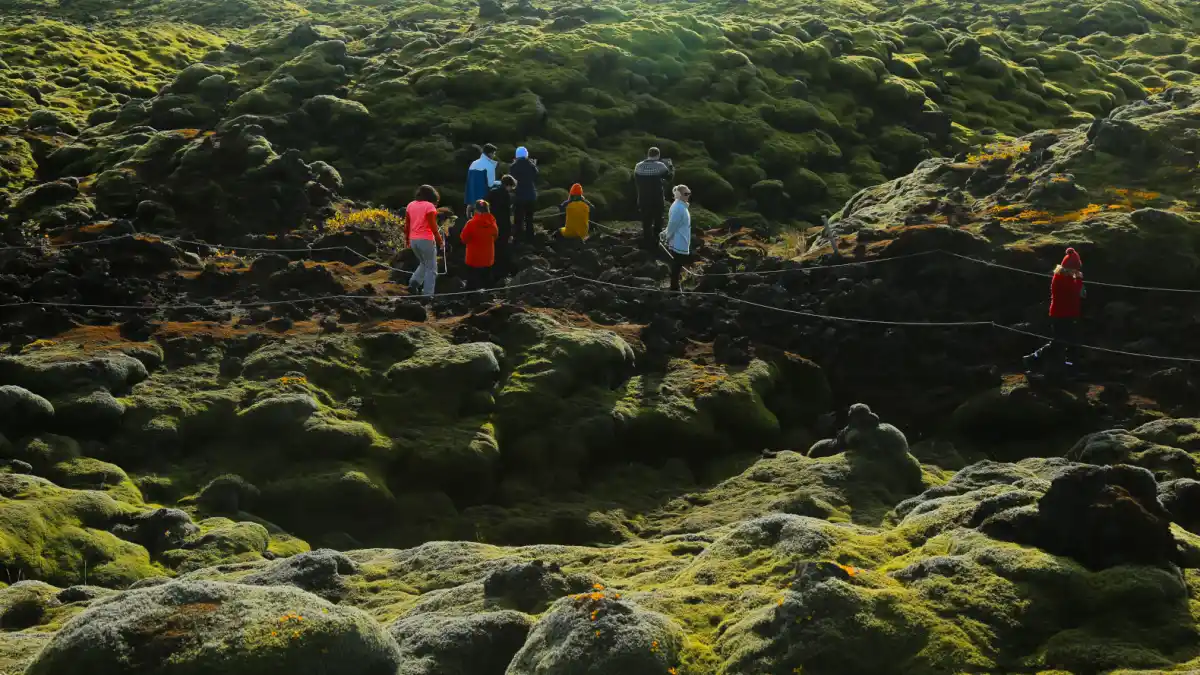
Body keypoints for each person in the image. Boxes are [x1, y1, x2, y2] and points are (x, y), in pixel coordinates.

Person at [1024, 247, 1085, 372]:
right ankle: (1033, 358)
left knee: (1067, 341)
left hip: (1067, 313)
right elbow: (1074, 291)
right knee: (1059, 342)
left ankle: (1066, 365)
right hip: (1061, 314)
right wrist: (1079, 279)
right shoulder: (1062, 279)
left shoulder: (1064, 277)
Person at [405, 185, 445, 297]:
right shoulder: (430, 206)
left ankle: (414, 282)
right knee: (432, 268)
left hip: (413, 240)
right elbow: (433, 226)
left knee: (424, 263)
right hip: (426, 240)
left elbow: (407, 225)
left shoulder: (410, 205)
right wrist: (440, 241)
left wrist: (407, 239)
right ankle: (428, 295)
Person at [634, 147, 673, 249]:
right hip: (657, 198)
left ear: (648, 154)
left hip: (643, 198)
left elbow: (637, 181)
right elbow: (669, 177)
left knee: (646, 220)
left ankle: (647, 241)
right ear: (658, 155)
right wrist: (671, 166)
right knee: (658, 218)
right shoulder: (660, 166)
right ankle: (657, 240)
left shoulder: (638, 166)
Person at [460, 199, 499, 290]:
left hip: (474, 259)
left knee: (472, 285)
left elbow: (463, 239)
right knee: (487, 282)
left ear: (475, 210)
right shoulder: (492, 222)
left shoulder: (471, 223)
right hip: (488, 258)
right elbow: (495, 236)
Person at [663, 184, 692, 291]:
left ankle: (674, 285)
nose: (688, 195)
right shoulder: (679, 208)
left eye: (689, 193)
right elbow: (672, 225)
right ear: (678, 195)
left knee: (677, 264)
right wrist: (667, 236)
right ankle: (674, 287)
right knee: (676, 265)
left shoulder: (681, 206)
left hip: (681, 240)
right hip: (678, 241)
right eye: (685, 194)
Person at [486, 174, 517, 273]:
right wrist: (510, 230)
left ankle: (492, 265)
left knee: (493, 245)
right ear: (508, 185)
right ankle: (502, 269)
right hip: (503, 224)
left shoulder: (492, 192)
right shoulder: (507, 196)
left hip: (492, 222)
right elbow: (507, 214)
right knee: (503, 247)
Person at [510, 146, 539, 242]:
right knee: (529, 218)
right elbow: (535, 175)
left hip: (519, 195)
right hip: (531, 194)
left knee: (518, 218)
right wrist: (534, 164)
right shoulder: (531, 165)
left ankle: (518, 237)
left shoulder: (513, 166)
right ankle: (530, 237)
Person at [464, 143, 499, 216]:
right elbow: (490, 184)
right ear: (490, 153)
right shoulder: (489, 165)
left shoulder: (473, 163)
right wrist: (500, 183)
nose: (494, 156)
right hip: (483, 200)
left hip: (473, 200)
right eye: (494, 153)